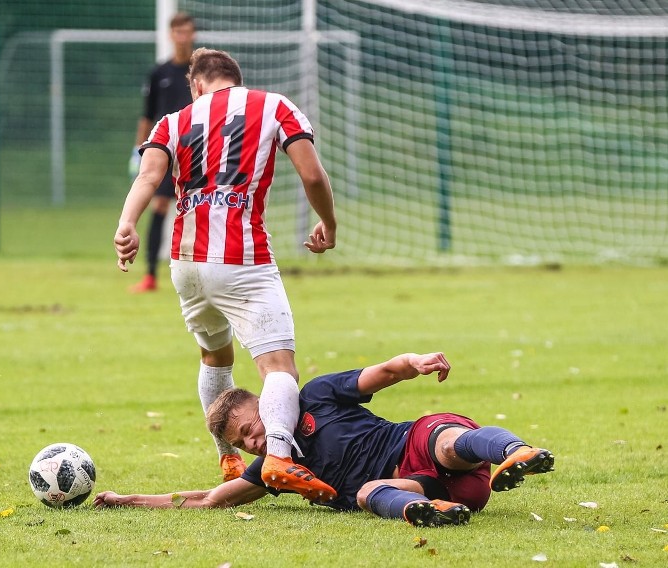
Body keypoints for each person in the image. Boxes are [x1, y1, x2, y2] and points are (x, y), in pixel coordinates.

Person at [114, 47, 339, 500]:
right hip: (242, 260)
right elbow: (312, 175)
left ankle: (228, 455)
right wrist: (329, 225)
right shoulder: (274, 105)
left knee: (215, 358)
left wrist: (126, 224)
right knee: (279, 368)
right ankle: (277, 456)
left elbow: (147, 177)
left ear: (196, 85)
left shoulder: (172, 121)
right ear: (235, 78)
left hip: (186, 263)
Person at [93, 352, 555, 527]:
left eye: (251, 428)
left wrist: (413, 361)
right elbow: (211, 500)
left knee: (449, 444)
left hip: (411, 444)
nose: (254, 443)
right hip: (433, 489)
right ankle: (435, 513)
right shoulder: (276, 468)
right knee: (371, 493)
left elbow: (382, 373)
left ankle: (516, 453)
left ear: (265, 404)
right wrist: (127, 500)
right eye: (243, 442)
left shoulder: (314, 396)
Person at [127, 12, 197, 293]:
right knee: (158, 206)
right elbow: (147, 115)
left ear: (193, 35)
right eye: (178, 32)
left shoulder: (201, 70)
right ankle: (151, 276)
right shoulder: (159, 73)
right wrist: (138, 149)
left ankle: (199, 273)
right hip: (165, 151)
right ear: (171, 35)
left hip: (196, 150)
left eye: (187, 32)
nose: (182, 37)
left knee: (197, 209)